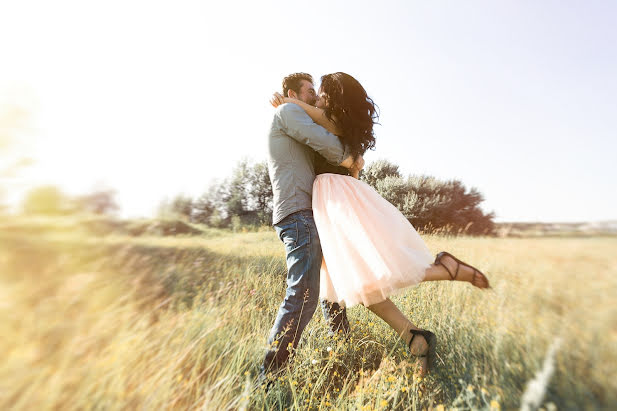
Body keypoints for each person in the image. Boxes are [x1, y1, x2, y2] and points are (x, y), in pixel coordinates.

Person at [270, 72, 490, 376]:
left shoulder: (327, 119)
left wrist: (288, 103)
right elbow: (339, 155)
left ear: (332, 97)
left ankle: (446, 268)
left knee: (371, 270)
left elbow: (327, 137)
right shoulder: (325, 120)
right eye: (311, 92)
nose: (316, 98)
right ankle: (415, 338)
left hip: (335, 199)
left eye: (319, 92)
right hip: (331, 202)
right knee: (355, 281)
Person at [260, 73, 358, 383]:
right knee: (303, 293)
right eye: (310, 92)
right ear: (292, 93)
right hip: (298, 213)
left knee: (330, 285)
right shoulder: (288, 112)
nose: (315, 99)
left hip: (309, 212)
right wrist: (351, 157)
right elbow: (327, 142)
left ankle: (340, 347)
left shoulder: (295, 114)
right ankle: (270, 377)